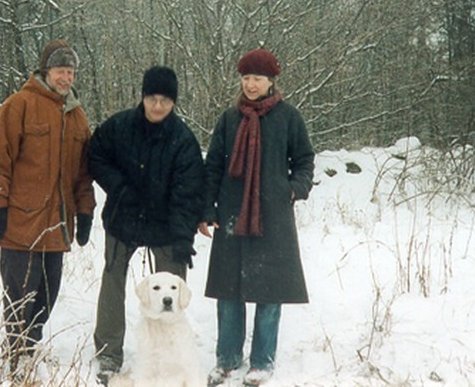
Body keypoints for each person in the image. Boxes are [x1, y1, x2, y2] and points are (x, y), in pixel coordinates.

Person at [0, 39, 96, 377]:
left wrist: (85, 211)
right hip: (20, 224)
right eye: (60, 70)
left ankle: (31, 345)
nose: (66, 78)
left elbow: (83, 173)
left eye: (70, 71)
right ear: (46, 71)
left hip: (57, 227)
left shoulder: (76, 115)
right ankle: (17, 356)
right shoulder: (19, 105)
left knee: (48, 293)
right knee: (19, 296)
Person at [200, 48, 315, 386]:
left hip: (272, 215)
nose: (250, 85)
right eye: (246, 78)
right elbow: (213, 167)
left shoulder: (289, 117)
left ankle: (262, 362)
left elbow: (305, 159)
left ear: (270, 81)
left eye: (257, 78)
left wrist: (293, 189)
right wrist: (208, 209)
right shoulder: (229, 119)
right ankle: (227, 360)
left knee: (270, 291)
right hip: (232, 213)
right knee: (229, 290)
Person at [88, 66, 204, 385]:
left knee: (173, 286)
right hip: (123, 216)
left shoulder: (183, 140)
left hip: (164, 223)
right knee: (113, 280)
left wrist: (183, 238)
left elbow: (189, 192)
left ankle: (172, 348)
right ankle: (109, 353)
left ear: (174, 103)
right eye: (152, 98)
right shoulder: (120, 126)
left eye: (165, 100)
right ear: (142, 96)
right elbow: (95, 155)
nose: (157, 106)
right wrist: (118, 186)